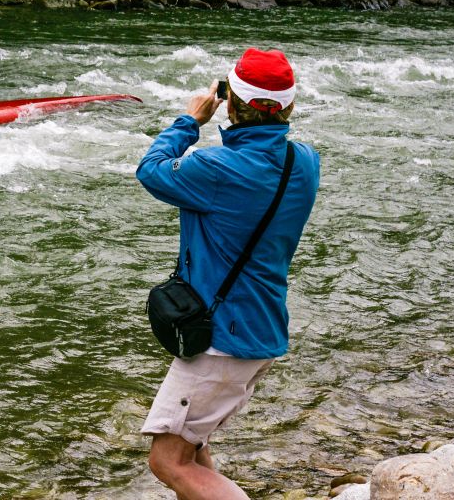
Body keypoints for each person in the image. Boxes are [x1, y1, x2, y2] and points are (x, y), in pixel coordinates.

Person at [135, 48, 320, 500]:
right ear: (289, 107)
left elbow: (151, 171)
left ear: (230, 101)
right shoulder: (304, 162)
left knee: (168, 461)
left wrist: (189, 121)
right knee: (190, 450)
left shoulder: (216, 168)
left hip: (221, 338)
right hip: (261, 328)